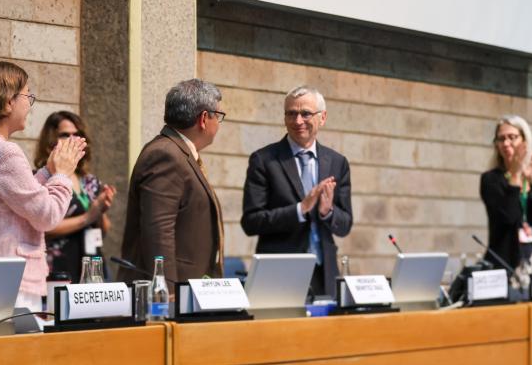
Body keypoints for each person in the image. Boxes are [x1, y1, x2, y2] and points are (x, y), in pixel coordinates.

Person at [0, 61, 86, 311]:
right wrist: (64, 175)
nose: (29, 105)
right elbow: (47, 216)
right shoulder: (3, 152)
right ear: (7, 102)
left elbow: (18, 198)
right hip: (10, 284)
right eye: (27, 96)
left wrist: (48, 171)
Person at [241, 85, 353, 297]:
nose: (298, 121)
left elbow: (345, 224)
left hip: (324, 274)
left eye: (305, 113)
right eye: (291, 113)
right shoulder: (264, 160)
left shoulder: (337, 163)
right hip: (279, 274)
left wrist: (327, 212)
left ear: (323, 117)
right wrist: (300, 210)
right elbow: (251, 221)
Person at [119, 78, 225, 286]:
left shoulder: (178, 153)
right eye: (218, 117)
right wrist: (167, 295)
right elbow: (159, 232)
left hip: (192, 290)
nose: (218, 125)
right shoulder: (165, 155)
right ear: (204, 118)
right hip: (170, 298)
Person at [480, 115, 532, 288]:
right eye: (501, 139)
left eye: (512, 137)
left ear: (524, 140)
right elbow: (508, 217)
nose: (506, 143)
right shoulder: (491, 180)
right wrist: (516, 176)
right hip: (508, 266)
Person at [34, 111, 116, 283]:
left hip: (92, 267)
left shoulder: (90, 181)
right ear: (50, 142)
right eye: (65, 135)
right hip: (58, 270)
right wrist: (87, 217)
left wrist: (101, 210)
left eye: (77, 135)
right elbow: (42, 228)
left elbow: (104, 230)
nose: (73, 140)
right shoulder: (41, 178)